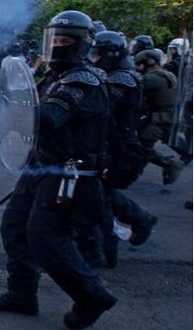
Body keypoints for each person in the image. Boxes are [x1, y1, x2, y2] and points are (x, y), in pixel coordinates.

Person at [0, 10, 116, 329]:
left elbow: (48, 118)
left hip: (69, 173)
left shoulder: (84, 80)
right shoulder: (56, 76)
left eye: (65, 40)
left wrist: (11, 110)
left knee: (46, 237)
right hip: (42, 166)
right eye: (53, 38)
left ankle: (91, 295)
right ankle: (22, 295)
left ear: (82, 43)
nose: (57, 45)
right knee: (14, 227)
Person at [75, 31, 156, 268]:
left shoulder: (122, 79)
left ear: (110, 53)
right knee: (102, 192)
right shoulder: (115, 74)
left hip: (118, 146)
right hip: (106, 142)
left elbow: (99, 107)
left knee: (99, 197)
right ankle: (139, 219)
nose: (94, 59)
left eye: (97, 55)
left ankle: (106, 252)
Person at [134, 49, 187, 184]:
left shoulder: (150, 78)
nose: (136, 67)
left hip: (161, 117)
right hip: (171, 115)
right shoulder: (166, 74)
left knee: (141, 145)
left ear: (148, 63)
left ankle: (170, 164)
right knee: (170, 139)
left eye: (139, 64)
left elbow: (133, 97)